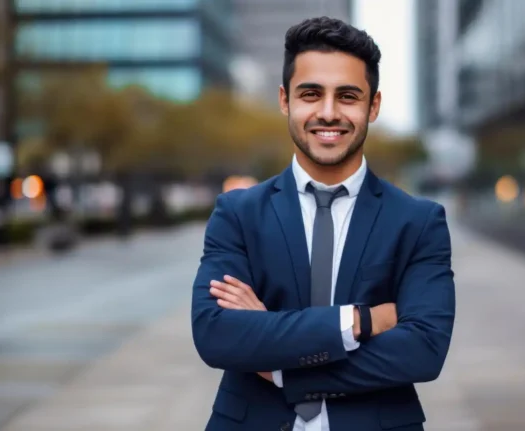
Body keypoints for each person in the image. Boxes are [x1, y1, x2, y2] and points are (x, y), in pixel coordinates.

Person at [191, 16, 456, 431]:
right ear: (285, 100)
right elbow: (217, 335)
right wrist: (359, 322)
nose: (328, 113)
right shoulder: (237, 214)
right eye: (311, 94)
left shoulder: (418, 222)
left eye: (347, 96)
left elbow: (422, 350)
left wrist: (281, 366)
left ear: (374, 105)